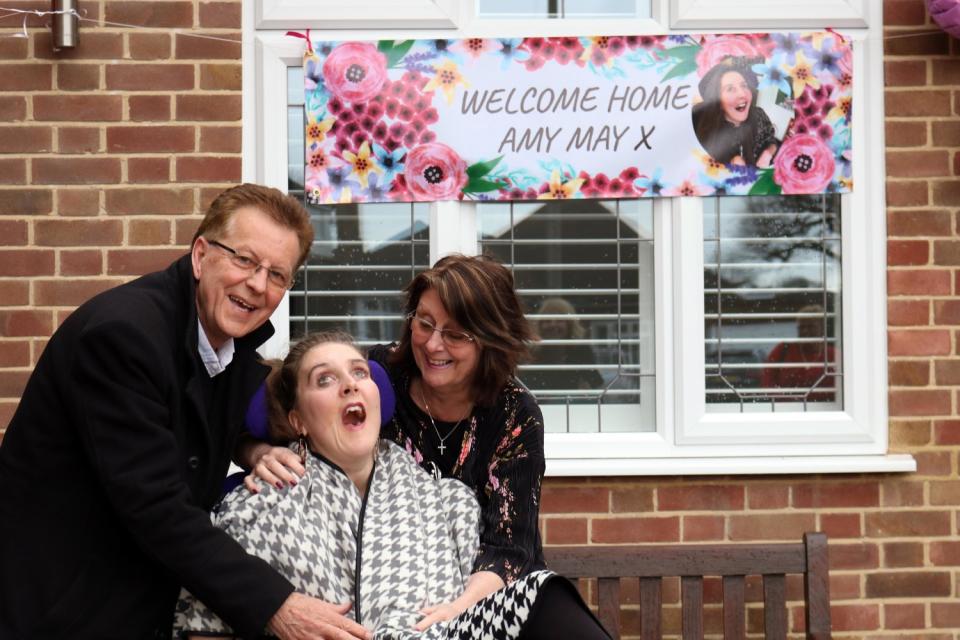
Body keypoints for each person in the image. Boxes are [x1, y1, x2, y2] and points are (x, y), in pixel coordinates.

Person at [0, 184, 370, 640]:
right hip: (60, 609)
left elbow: (192, 413)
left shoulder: (227, 342)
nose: (257, 284)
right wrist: (277, 606)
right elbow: (156, 506)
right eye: (245, 260)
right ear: (200, 255)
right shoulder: (122, 337)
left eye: (278, 275)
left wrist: (250, 448)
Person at [176, 332, 608, 639]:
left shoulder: (448, 502)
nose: (348, 384)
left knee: (540, 595)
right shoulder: (255, 508)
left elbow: (479, 612)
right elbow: (205, 624)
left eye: (359, 373)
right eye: (324, 380)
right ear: (297, 421)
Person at [244, 254, 583, 632]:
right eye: (424, 323)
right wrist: (258, 451)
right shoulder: (379, 378)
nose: (433, 344)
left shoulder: (514, 413)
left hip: (483, 598)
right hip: (395, 598)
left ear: (489, 341)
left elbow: (510, 547)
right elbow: (287, 409)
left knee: (547, 595)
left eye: (455, 334)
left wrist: (459, 609)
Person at [692, 56, 780, 168]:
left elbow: (772, 141)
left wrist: (767, 154)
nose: (743, 94)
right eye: (730, 89)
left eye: (744, 86)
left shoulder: (759, 115)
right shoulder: (705, 130)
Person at [524, 297, 603, 396]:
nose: (553, 325)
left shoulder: (581, 351)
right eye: (547, 321)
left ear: (570, 325)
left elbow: (595, 386)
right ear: (539, 325)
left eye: (560, 320)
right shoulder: (531, 353)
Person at [760, 304, 838, 401]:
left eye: (810, 326)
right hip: (787, 412)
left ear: (822, 328)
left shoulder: (833, 355)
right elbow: (767, 381)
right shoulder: (783, 350)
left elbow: (840, 389)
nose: (805, 331)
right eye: (801, 327)